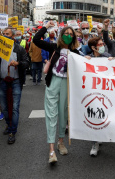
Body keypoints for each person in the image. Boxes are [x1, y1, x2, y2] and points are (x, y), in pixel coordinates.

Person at [33, 21, 80, 164]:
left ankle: (61, 142)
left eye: (71, 34)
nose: (68, 36)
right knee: (51, 114)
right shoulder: (54, 47)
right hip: (53, 82)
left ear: (74, 38)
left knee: (63, 114)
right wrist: (45, 27)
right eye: (66, 33)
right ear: (61, 35)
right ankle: (51, 149)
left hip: (67, 85)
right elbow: (36, 40)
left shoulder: (76, 53)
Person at [0, 28, 29, 144]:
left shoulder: (19, 49)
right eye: (3, 34)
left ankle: (12, 131)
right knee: (4, 107)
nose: (4, 36)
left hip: (16, 81)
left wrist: (18, 63)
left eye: (7, 34)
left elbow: (26, 63)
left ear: (13, 37)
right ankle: (8, 125)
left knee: (14, 107)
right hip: (2, 81)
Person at [85, 37, 114, 156]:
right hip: (92, 92)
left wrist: (113, 61)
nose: (103, 46)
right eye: (100, 44)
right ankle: (94, 143)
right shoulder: (87, 57)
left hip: (105, 92)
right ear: (93, 47)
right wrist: (84, 61)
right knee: (93, 116)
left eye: (103, 43)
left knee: (104, 115)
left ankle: (101, 135)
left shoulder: (106, 56)